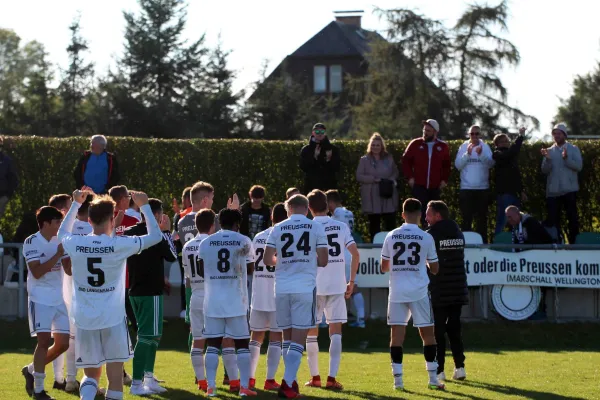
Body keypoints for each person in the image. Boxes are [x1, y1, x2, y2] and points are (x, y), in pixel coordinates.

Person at [57, 189, 162, 400]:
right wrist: (145, 206)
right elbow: (156, 236)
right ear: (112, 219)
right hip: (113, 319)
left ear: (89, 219)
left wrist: (76, 204)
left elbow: (61, 234)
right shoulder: (118, 245)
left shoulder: (76, 242)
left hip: (85, 319)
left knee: (90, 375)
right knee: (115, 377)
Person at [263, 194, 328, 399]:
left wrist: (283, 261)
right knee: (299, 339)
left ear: (288, 209)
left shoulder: (278, 227)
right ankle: (287, 383)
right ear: (307, 209)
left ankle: (291, 382)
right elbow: (324, 260)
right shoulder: (315, 227)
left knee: (287, 338)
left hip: (281, 287)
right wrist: (306, 260)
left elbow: (267, 259)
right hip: (304, 287)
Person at [381, 198, 444, 391]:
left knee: (396, 337)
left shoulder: (391, 236)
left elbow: (384, 267)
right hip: (419, 292)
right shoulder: (426, 237)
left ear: (402, 215)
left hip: (397, 292)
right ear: (420, 216)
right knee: (428, 335)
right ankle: (433, 380)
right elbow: (435, 269)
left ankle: (398, 382)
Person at [304, 190, 359, 391]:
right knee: (336, 332)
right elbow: (355, 254)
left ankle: (315, 377)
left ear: (309, 208)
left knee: (312, 332)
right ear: (328, 206)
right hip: (337, 284)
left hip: (314, 285)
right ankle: (331, 378)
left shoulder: (308, 227)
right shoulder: (341, 226)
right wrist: (351, 281)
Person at [199, 208, 256, 397]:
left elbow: (201, 270)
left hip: (212, 300)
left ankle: (211, 387)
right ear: (237, 224)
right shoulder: (243, 240)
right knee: (242, 345)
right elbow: (249, 269)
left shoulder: (206, 242)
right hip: (236, 300)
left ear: (218, 222)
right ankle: (245, 387)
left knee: (213, 345)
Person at [124, 198, 177, 395]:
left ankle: (148, 378)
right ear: (156, 215)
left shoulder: (130, 232)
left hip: (135, 291)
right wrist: (166, 232)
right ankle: (137, 383)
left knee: (152, 336)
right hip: (150, 292)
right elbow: (172, 255)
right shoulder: (156, 234)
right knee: (147, 337)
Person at [21, 206, 71, 400]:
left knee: (63, 344)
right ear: (46, 223)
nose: (60, 226)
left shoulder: (60, 240)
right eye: (58, 222)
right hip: (39, 299)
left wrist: (72, 257)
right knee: (43, 342)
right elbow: (37, 272)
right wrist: (58, 255)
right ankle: (39, 390)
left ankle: (31, 370)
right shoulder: (31, 242)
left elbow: (68, 271)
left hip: (58, 299)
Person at [425, 201, 468, 382]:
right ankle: (460, 367)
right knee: (455, 329)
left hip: (440, 288)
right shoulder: (458, 233)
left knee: (438, 331)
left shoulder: (431, 235)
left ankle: (440, 369)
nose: (425, 218)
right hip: (458, 288)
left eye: (428, 214)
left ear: (437, 216)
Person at [248, 203, 287, 392]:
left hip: (258, 293)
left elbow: (251, 265)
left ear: (271, 216)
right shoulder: (285, 235)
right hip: (277, 293)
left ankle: (250, 377)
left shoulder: (258, 236)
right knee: (276, 337)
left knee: (256, 336)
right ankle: (270, 379)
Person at [182, 209, 216, 393]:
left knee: (197, 341)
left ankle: (202, 381)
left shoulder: (187, 246)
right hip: (212, 296)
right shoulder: (213, 243)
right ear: (212, 225)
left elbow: (187, 277)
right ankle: (211, 382)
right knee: (214, 342)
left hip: (195, 296)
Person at [109, 185, 140, 384]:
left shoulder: (133, 221)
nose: (129, 199)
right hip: (111, 285)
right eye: (128, 197)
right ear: (121, 199)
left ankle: (139, 371)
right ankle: (119, 373)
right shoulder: (104, 219)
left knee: (135, 327)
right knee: (115, 328)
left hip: (130, 281)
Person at [326, 190, 365, 328]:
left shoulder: (337, 215)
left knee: (333, 287)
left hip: (340, 252)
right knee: (354, 287)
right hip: (350, 250)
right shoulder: (349, 212)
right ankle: (361, 319)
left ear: (331, 202)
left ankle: (330, 320)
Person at [402, 119, 451, 227]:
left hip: (435, 186)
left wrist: (444, 180)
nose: (425, 132)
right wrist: (409, 177)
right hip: (419, 185)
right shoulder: (415, 143)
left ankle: (434, 234)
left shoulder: (443, 146)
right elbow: (405, 161)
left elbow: (447, 165)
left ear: (435, 132)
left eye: (428, 130)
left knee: (434, 213)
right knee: (419, 211)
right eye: (424, 130)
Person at [541, 123, 583, 244]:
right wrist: (548, 159)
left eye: (559, 133)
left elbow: (578, 167)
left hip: (570, 190)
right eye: (554, 134)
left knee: (573, 220)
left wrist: (566, 159)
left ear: (564, 135)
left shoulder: (574, 149)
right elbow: (544, 170)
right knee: (554, 221)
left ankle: (574, 244)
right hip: (553, 192)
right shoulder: (548, 151)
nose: (556, 136)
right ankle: (557, 245)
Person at [455, 125, 495, 243]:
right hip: (466, 189)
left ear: (480, 135)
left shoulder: (485, 147)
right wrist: (467, 154)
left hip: (482, 189)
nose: (474, 136)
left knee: (482, 220)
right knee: (466, 219)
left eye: (477, 134)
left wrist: (481, 154)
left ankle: (482, 245)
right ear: (469, 135)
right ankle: (465, 245)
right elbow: (458, 165)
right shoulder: (463, 146)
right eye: (472, 134)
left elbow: (491, 164)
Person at [356, 133, 400, 240]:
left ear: (382, 146)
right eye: (373, 145)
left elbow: (395, 172)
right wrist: (373, 179)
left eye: (378, 145)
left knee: (390, 223)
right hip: (372, 195)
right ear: (370, 146)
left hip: (387, 193)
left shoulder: (389, 158)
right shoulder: (364, 160)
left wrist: (391, 179)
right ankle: (374, 246)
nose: (375, 147)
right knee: (374, 224)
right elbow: (359, 176)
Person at [492, 127, 527, 235]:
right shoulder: (497, 154)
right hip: (504, 194)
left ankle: (516, 242)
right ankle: (497, 243)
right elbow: (511, 152)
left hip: (514, 193)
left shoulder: (511, 157)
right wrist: (520, 137)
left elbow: (516, 176)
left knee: (516, 221)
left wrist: (521, 191)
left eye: (507, 141)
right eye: (502, 141)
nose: (505, 143)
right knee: (503, 220)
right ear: (496, 144)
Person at [299, 123, 340, 194]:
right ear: (313, 133)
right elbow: (303, 167)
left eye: (322, 132)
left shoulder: (332, 149)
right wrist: (314, 157)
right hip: (312, 185)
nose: (320, 134)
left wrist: (329, 159)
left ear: (325, 133)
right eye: (317, 132)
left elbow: (337, 168)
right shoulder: (306, 149)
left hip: (328, 185)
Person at [172, 186, 192, 319]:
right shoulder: (206, 213)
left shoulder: (180, 215)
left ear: (186, 199)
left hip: (184, 254)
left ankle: (185, 308)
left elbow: (175, 237)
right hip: (201, 253)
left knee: (186, 281)